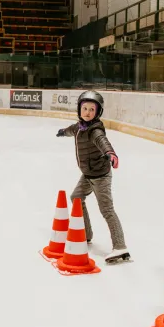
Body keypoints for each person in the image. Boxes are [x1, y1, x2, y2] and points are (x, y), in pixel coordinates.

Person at [56, 91, 130, 264]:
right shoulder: (78, 127)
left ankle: (120, 246)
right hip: (87, 174)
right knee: (76, 197)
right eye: (85, 108)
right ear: (79, 109)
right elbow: (70, 130)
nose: (88, 112)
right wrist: (62, 132)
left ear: (97, 113)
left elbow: (103, 141)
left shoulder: (94, 130)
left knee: (107, 210)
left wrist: (110, 153)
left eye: (92, 109)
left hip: (100, 176)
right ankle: (86, 233)